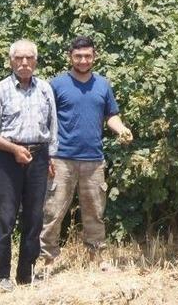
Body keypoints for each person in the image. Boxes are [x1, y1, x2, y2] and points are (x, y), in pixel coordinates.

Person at [40, 36, 133, 269]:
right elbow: (45, 120)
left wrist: (121, 129)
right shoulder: (56, 85)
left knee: (95, 212)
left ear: (94, 56)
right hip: (61, 159)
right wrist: (47, 154)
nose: (83, 60)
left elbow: (111, 115)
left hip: (94, 159)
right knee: (52, 212)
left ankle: (96, 259)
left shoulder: (102, 85)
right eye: (78, 56)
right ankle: (47, 260)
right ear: (70, 57)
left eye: (87, 56)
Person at [0, 39, 57, 292]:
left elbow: (52, 127)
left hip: (39, 157)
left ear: (36, 61)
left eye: (29, 58)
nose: (24, 63)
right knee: (6, 218)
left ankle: (26, 274)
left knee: (34, 218)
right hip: (8, 158)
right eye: (19, 58)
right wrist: (14, 150)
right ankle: (1, 275)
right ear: (11, 61)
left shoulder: (45, 89)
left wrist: (51, 157)